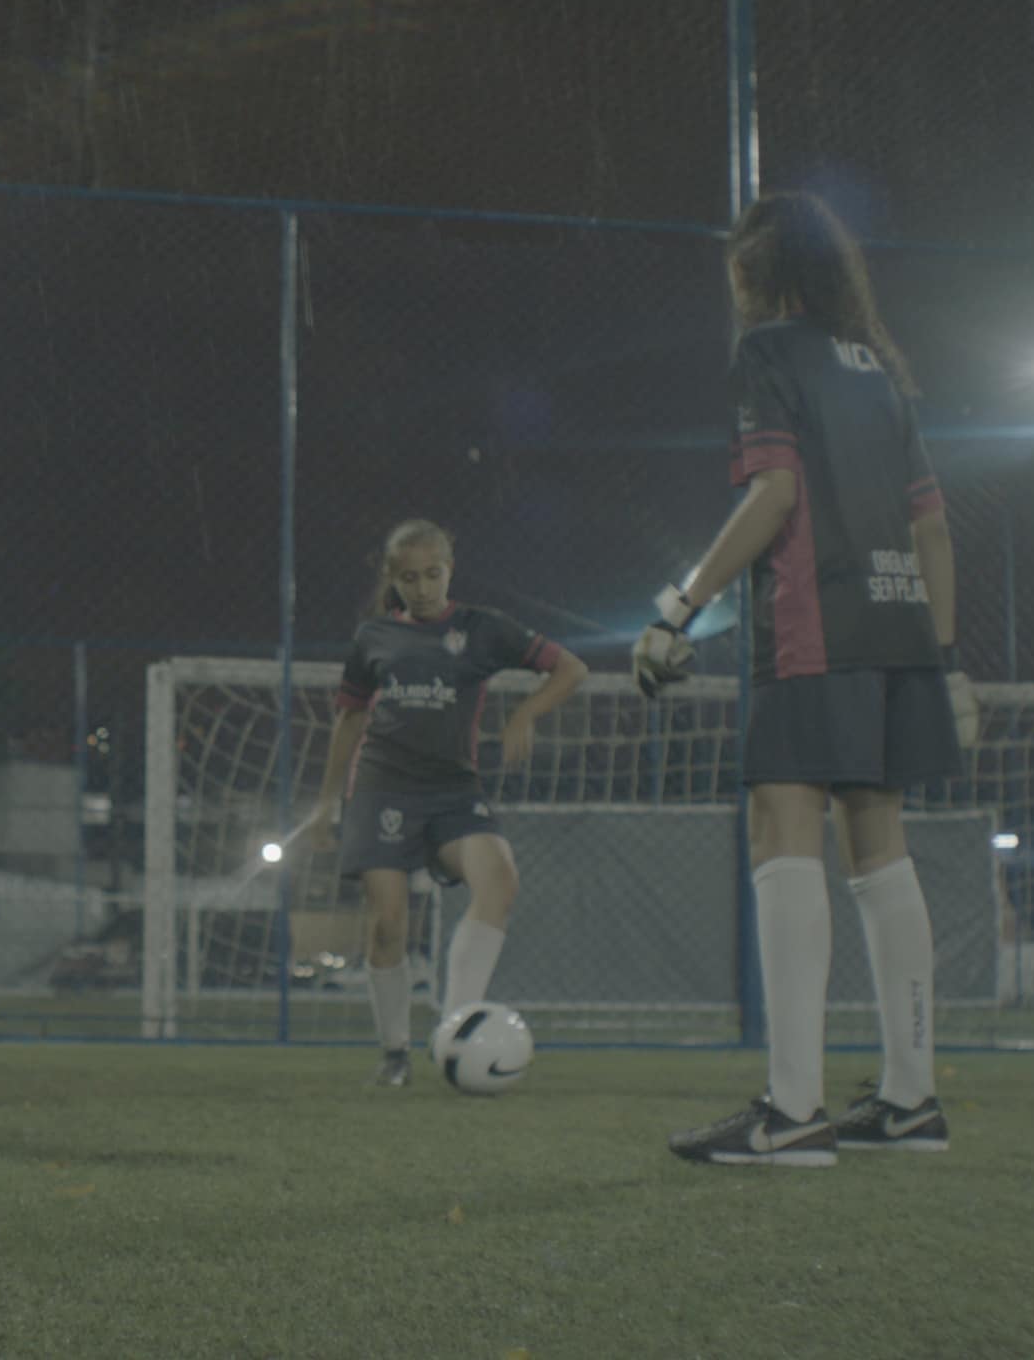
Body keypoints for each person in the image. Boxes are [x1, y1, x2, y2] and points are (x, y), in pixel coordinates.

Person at [638, 192, 978, 1166]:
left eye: (741, 269)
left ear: (767, 274)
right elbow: (932, 526)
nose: (735, 286)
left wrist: (681, 603)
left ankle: (792, 1112)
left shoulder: (767, 355)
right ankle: (912, 1099)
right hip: (902, 626)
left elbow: (775, 493)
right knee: (879, 843)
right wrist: (942, 659)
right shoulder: (884, 374)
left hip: (813, 622)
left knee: (782, 822)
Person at [312, 519, 588, 1087]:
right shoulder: (374, 638)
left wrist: (525, 714)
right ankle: (394, 1055)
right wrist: (326, 804)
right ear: (393, 579)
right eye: (409, 578)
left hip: (453, 788)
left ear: (450, 568)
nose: (423, 587)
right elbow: (351, 717)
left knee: (501, 879)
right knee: (388, 923)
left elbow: (570, 668)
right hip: (383, 787)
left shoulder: (482, 629)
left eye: (433, 574)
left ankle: (452, 1030)